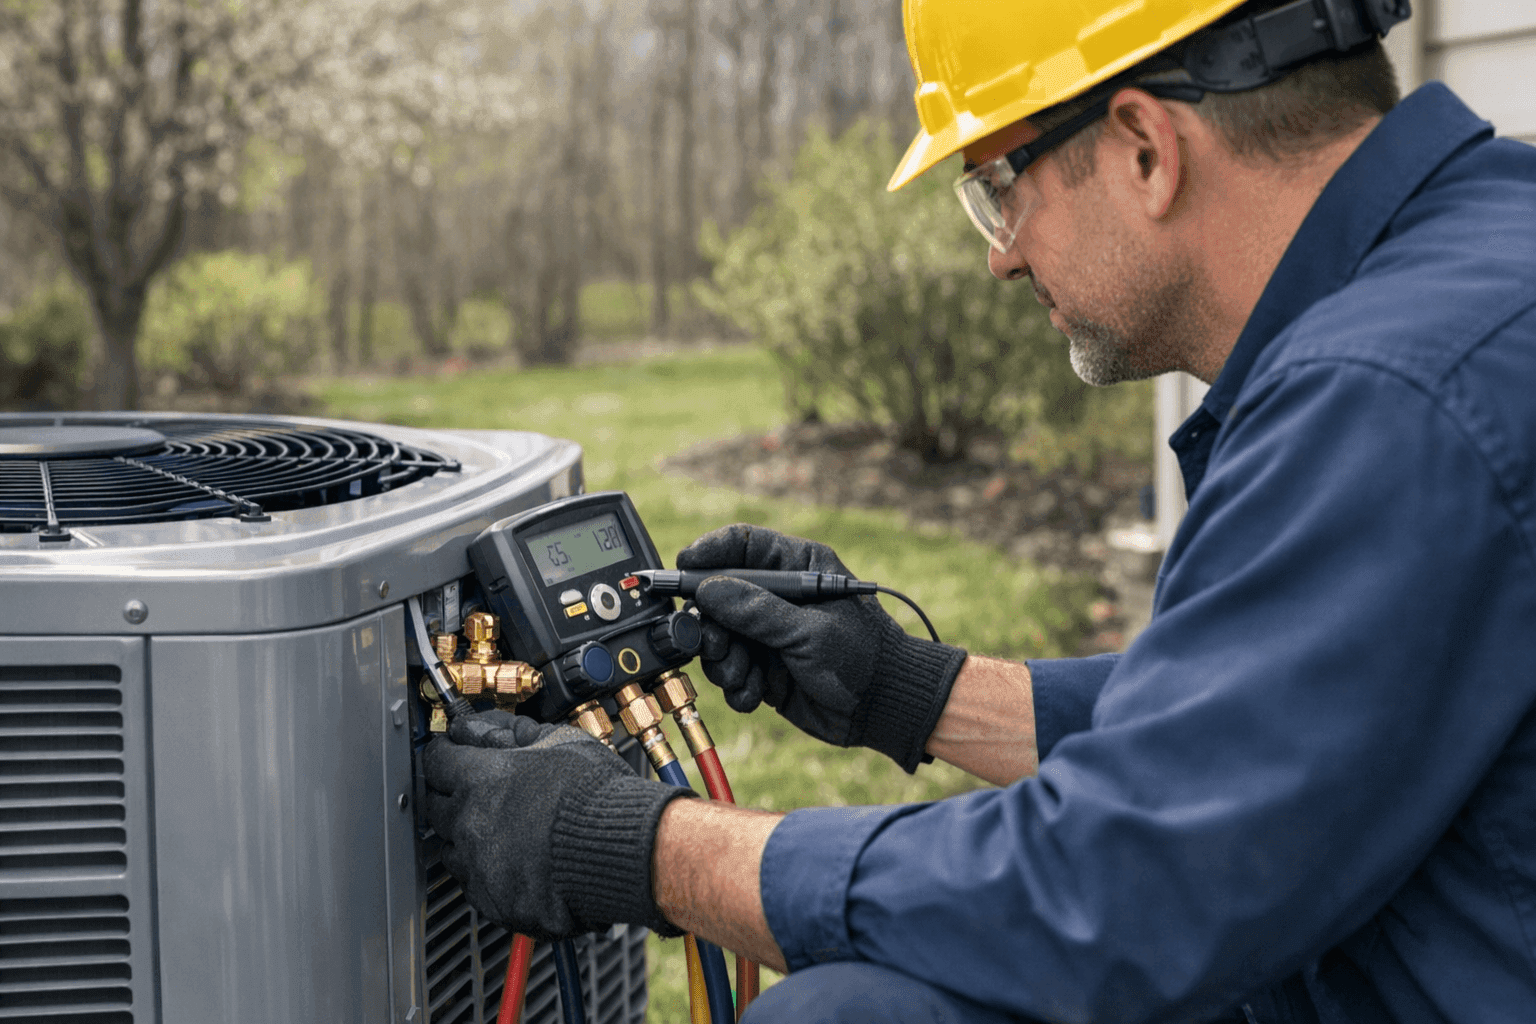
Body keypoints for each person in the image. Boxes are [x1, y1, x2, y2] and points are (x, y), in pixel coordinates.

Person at [423, 0, 1536, 1020]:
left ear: (1147, 149)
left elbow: (1119, 895)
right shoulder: (1475, 266)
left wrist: (645, 849)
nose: (1001, 256)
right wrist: (912, 691)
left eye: (1000, 185)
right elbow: (1270, 720)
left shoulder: (1392, 395)